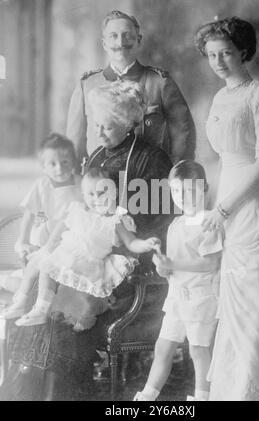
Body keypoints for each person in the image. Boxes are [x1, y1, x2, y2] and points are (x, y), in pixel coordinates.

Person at [0, 81, 173, 401]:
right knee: (45, 284)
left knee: (65, 303)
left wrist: (114, 247)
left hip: (123, 270)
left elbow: (157, 225)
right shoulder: (95, 156)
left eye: (107, 125)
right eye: (96, 124)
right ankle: (27, 385)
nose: (100, 132)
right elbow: (78, 213)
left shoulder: (151, 161)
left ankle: (56, 392)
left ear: (127, 122)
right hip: (85, 256)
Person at [194, 16, 259, 401]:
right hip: (228, 200)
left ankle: (254, 393)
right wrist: (215, 207)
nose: (219, 61)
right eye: (211, 55)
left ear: (243, 51)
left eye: (225, 53)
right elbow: (222, 160)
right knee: (234, 306)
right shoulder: (220, 98)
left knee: (257, 305)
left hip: (258, 206)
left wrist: (225, 208)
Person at [2, 168, 161, 330]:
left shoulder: (116, 220)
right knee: (39, 263)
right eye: (91, 194)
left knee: (46, 268)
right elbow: (58, 231)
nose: (97, 198)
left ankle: (41, 310)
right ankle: (22, 302)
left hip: (87, 262)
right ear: (84, 195)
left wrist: (146, 244)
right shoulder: (77, 210)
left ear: (114, 193)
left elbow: (132, 243)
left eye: (102, 193)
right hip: (65, 253)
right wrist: (47, 248)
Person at [134, 160, 223, 402]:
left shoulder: (209, 222)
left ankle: (202, 398)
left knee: (198, 350)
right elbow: (171, 269)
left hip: (200, 298)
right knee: (163, 347)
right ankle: (147, 397)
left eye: (190, 190)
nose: (183, 197)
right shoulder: (176, 225)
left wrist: (173, 265)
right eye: (176, 191)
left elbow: (211, 263)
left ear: (203, 188)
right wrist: (162, 265)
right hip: (176, 298)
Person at [66, 10, 196, 167]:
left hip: (148, 178)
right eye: (113, 36)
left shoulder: (160, 83)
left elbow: (183, 134)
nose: (120, 43)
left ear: (139, 40)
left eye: (127, 35)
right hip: (100, 180)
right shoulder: (87, 85)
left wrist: (174, 173)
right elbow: (74, 141)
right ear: (104, 44)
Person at [0, 133, 81, 307]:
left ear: (73, 162)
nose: (59, 168)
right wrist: (23, 241)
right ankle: (6, 282)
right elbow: (29, 214)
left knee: (60, 283)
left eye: (65, 162)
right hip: (47, 236)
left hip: (71, 239)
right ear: (44, 167)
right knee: (33, 281)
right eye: (52, 164)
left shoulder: (80, 183)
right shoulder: (42, 185)